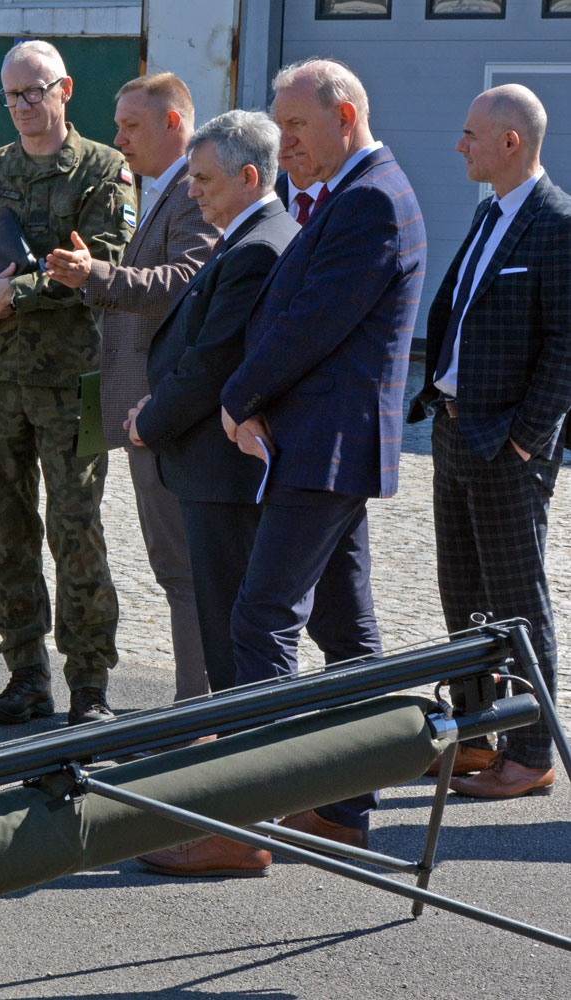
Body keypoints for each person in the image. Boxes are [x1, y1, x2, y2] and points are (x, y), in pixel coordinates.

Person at [218, 58, 427, 849]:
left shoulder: (371, 199)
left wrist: (237, 397)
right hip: (328, 446)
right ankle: (342, 811)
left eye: (297, 125)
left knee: (263, 618)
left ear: (344, 116)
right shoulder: (356, 192)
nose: (285, 143)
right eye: (279, 127)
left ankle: (250, 818)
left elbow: (313, 321)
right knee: (346, 632)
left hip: (324, 446)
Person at [0, 40, 135, 726]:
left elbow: (103, 268)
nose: (21, 105)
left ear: (64, 90)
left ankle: (90, 684)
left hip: (76, 387)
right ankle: (26, 675)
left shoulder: (103, 170)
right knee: (7, 533)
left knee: (77, 530)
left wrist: (10, 295)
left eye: (33, 92)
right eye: (11, 95)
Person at [124, 110, 299, 878]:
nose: (191, 192)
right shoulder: (248, 236)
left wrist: (149, 421)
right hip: (214, 469)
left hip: (224, 476)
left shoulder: (259, 245)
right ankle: (238, 808)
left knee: (235, 650)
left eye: (202, 179)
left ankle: (242, 827)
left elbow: (212, 360)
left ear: (248, 177)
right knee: (235, 642)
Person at [406, 84, 571, 798]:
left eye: (471, 135)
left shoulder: (557, 223)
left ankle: (531, 754)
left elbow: (566, 346)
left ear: (511, 141)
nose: (459, 145)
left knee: (516, 601)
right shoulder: (488, 213)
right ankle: (476, 735)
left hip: (505, 446)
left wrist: (527, 441)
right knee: (463, 593)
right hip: (454, 430)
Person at [43, 71, 219, 703]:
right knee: (179, 572)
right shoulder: (163, 190)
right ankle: (197, 709)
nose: (118, 138)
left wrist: (96, 275)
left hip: (167, 411)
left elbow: (187, 283)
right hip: (151, 409)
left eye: (130, 125)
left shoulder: (192, 193)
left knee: (185, 573)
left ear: (174, 123)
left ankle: (197, 716)